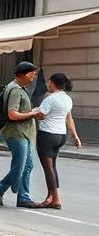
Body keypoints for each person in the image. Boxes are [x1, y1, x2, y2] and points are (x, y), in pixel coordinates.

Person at [0, 62, 44, 209]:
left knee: (27, 165)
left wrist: (32, 113)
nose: (33, 76)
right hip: (17, 133)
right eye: (31, 73)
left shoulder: (19, 88)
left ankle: (23, 197)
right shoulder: (14, 89)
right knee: (20, 166)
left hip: (25, 133)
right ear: (22, 74)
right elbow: (12, 114)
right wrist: (32, 113)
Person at [34, 72, 81, 210]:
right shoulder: (67, 99)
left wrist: (33, 112)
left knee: (48, 168)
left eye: (49, 82)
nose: (48, 84)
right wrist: (75, 136)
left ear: (54, 83)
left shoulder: (51, 98)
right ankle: (50, 197)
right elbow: (69, 118)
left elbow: (40, 115)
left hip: (47, 135)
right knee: (53, 167)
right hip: (61, 135)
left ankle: (55, 199)